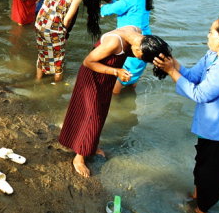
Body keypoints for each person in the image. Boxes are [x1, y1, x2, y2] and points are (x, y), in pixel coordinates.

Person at [153, 11, 219, 213]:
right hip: (214, 126)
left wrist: (171, 72)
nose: (207, 35)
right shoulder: (213, 55)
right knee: (201, 165)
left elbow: (200, 94)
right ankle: (194, 198)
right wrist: (174, 64)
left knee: (213, 176)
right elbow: (193, 75)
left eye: (211, 32)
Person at [59, 30, 172, 177]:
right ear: (138, 49)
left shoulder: (137, 34)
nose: (140, 60)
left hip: (106, 78)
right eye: (142, 58)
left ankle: (90, 146)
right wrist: (116, 72)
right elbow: (87, 62)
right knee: (91, 115)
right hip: (92, 77)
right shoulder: (115, 42)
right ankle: (79, 158)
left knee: (101, 113)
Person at [34, 0, 102, 82]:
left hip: (40, 22)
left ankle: (37, 80)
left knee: (42, 54)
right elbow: (67, 19)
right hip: (52, 29)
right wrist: (64, 32)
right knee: (58, 62)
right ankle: (57, 89)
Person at [100, 0, 154, 94]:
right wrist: (111, 2)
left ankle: (115, 104)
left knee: (121, 74)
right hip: (144, 37)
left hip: (131, 39)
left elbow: (115, 9)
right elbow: (125, 7)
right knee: (135, 69)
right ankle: (131, 96)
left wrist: (100, 7)